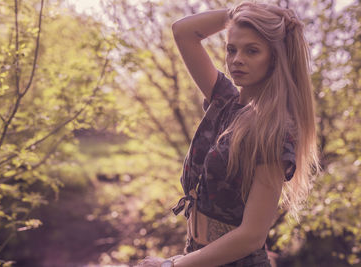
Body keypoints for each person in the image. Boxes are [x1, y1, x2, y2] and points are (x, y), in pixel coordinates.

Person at [137, 2, 319, 267]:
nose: (237, 60)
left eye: (252, 51)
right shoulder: (223, 100)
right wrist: (238, 14)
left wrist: (170, 265)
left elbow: (251, 237)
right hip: (197, 254)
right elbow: (183, 32)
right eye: (231, 50)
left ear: (275, 59)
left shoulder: (275, 131)